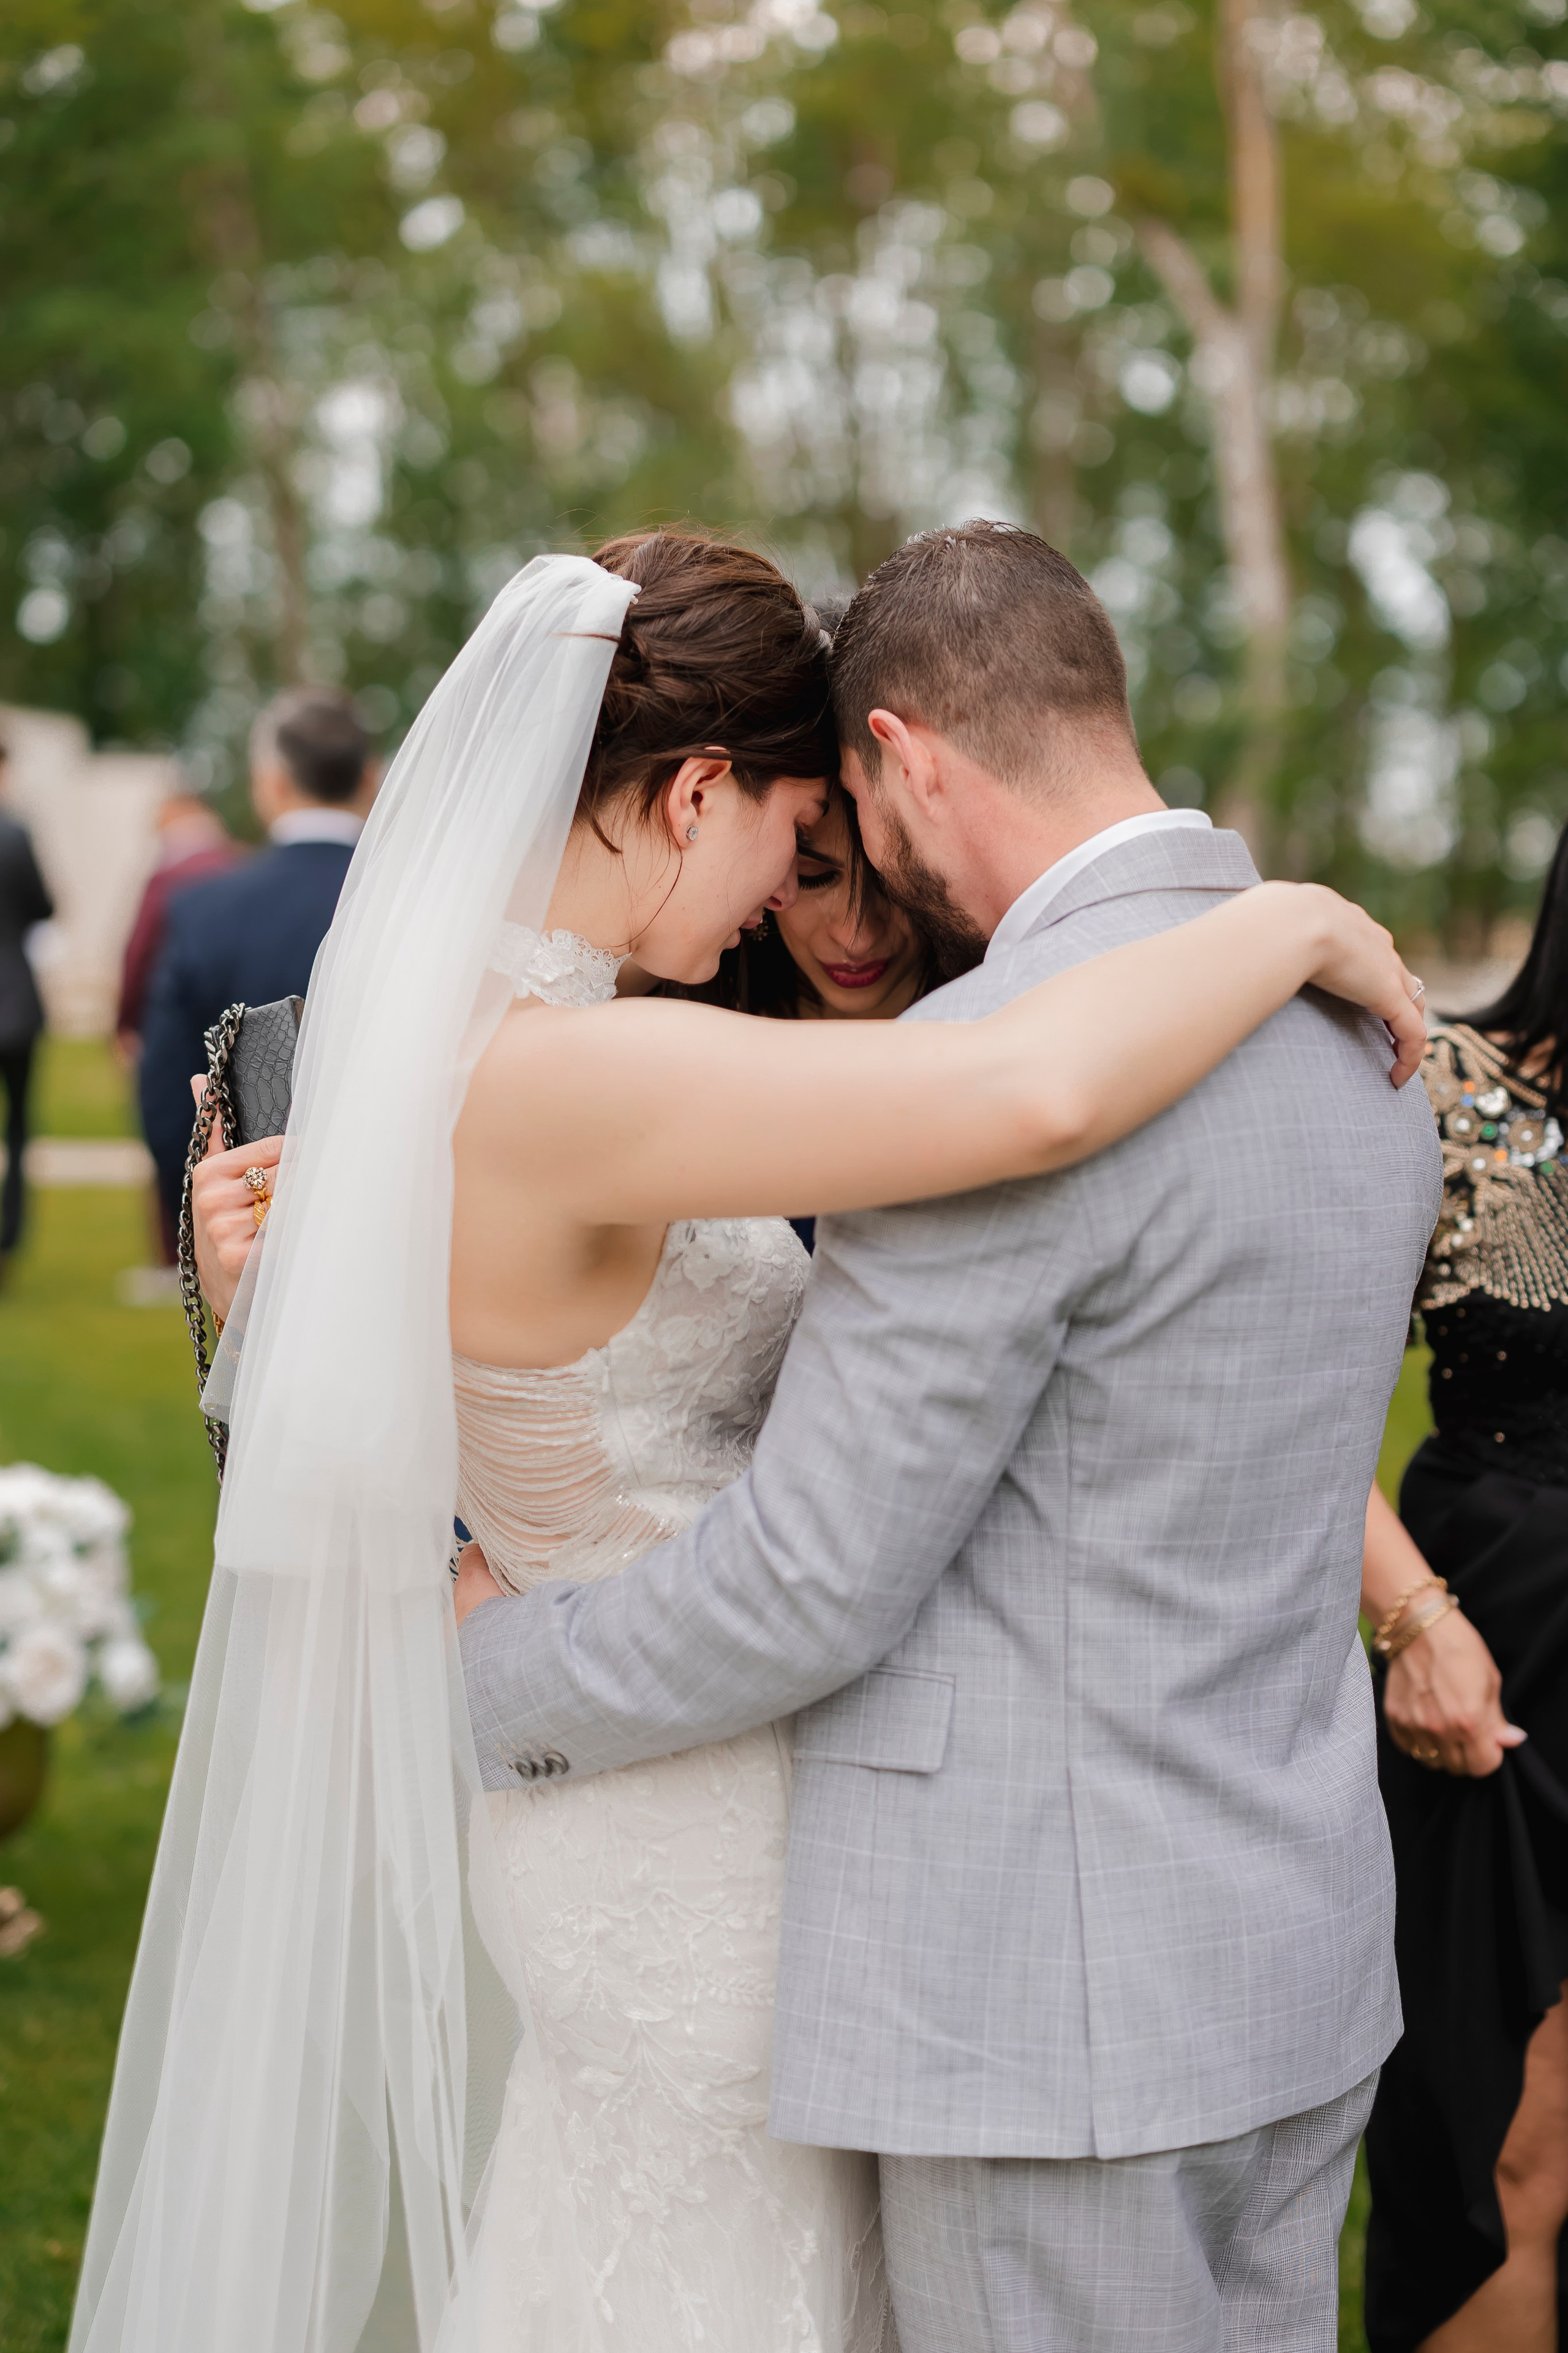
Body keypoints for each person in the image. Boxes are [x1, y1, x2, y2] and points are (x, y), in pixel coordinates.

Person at [164, 523, 1430, 2353]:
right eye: (793, 823)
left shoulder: (484, 1044)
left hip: (728, 1783)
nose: (794, 892)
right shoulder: (569, 1068)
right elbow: (1023, 1086)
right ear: (696, 791)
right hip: (685, 1819)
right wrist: (1282, 921)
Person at [1359, 826, 1568, 2353]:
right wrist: (1414, 1618)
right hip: (1504, 1666)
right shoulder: (1434, 1086)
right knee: (1503, 2152)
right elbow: (1283, 1385)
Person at [136, 687, 375, 1236]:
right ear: (370, 778)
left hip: (248, 1222)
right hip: (393, 1216)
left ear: (271, 782)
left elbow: (167, 1092)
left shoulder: (203, 909)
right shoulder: (426, 905)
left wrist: (209, 1216)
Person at [118, 793, 245, 1263]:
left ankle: (176, 1249)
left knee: (173, 1128)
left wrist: (126, 1021)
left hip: (175, 1020)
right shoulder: (237, 865)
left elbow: (139, 953)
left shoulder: (167, 877)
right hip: (232, 1015)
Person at [0, 742, 55, 1269]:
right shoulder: (14, 834)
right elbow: (45, 905)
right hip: (14, 1003)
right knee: (16, 1125)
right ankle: (8, 1234)